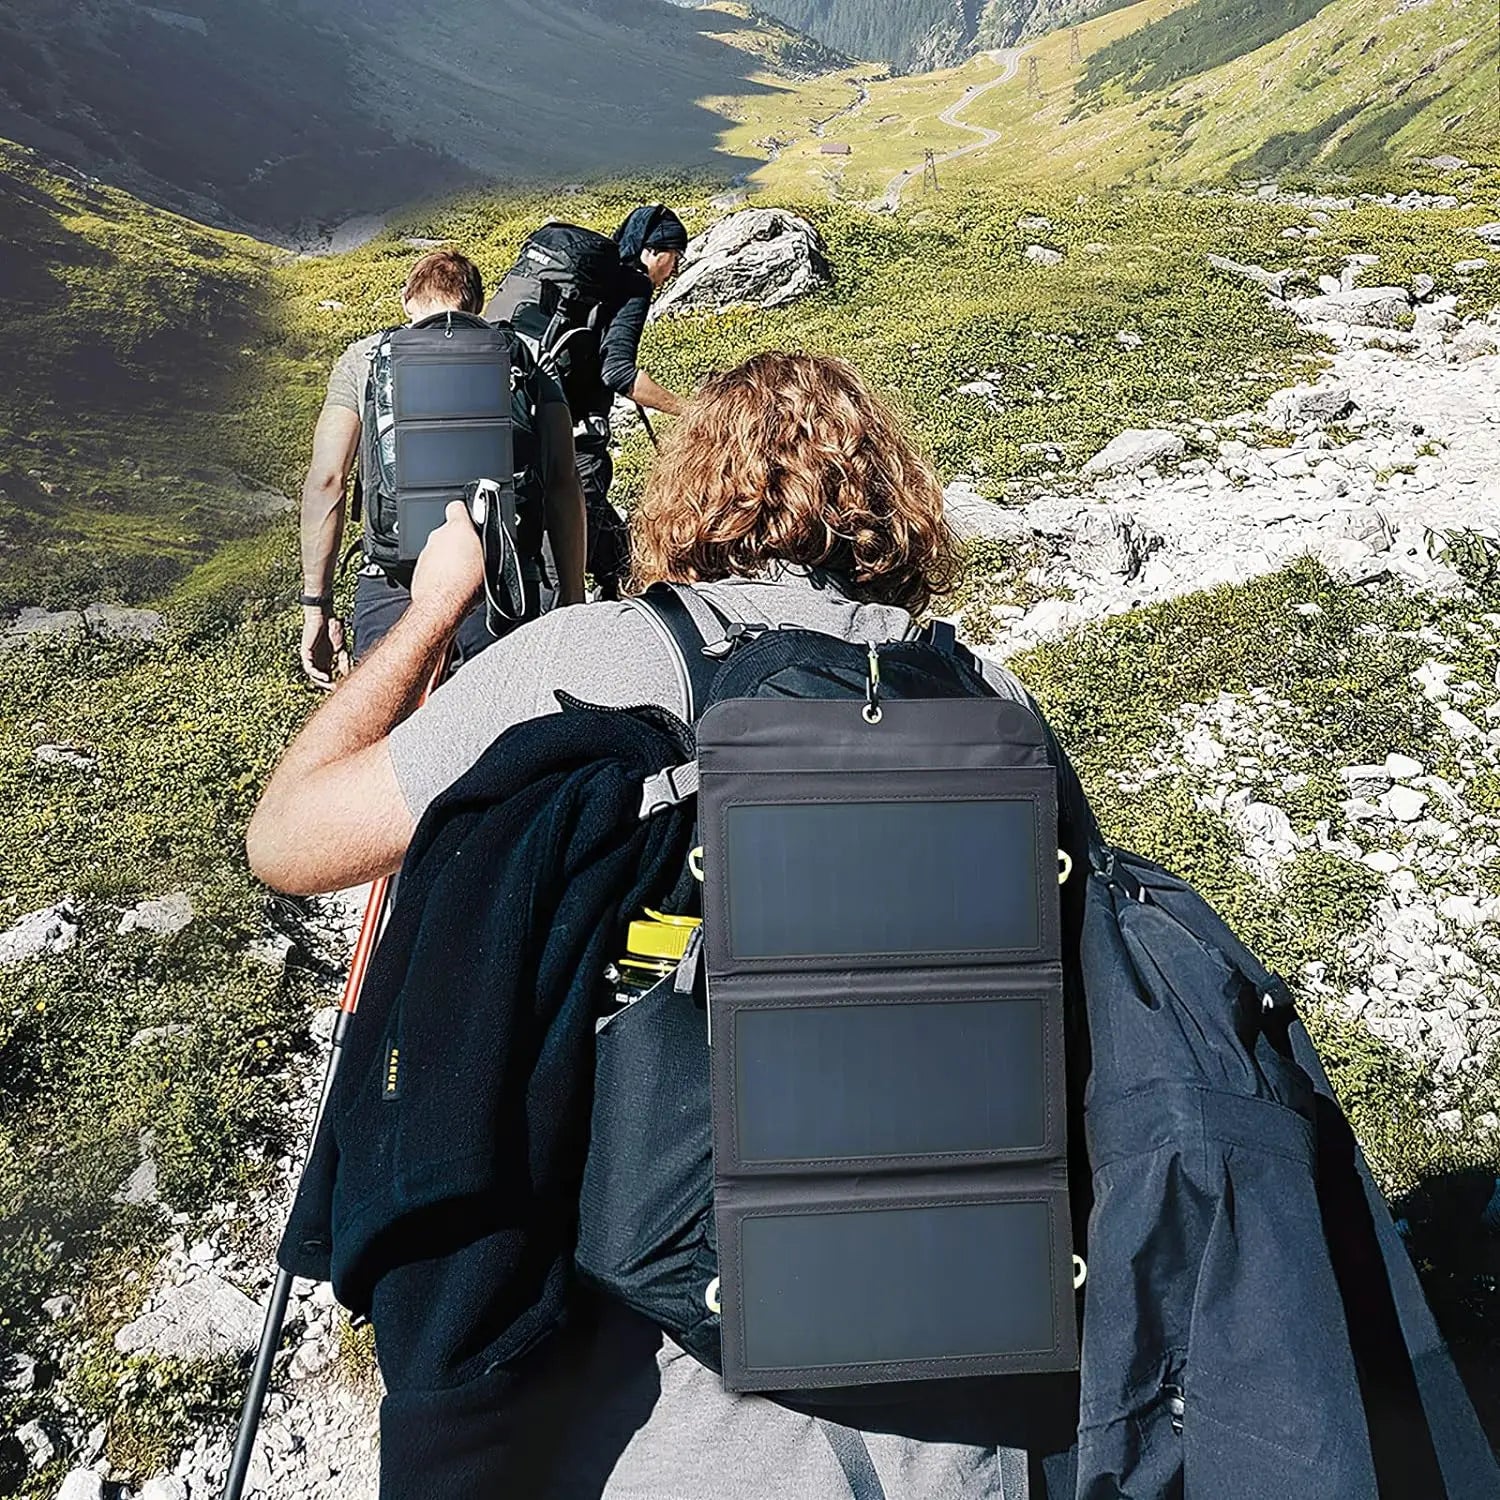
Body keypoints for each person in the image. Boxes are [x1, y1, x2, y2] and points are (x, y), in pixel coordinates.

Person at [247, 352, 1036, 1496]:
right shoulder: (992, 700)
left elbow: (289, 839)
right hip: (967, 1396)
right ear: (892, 497)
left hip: (666, 1401)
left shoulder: (603, 657)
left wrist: (426, 620)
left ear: (688, 491)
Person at [297, 249, 586, 688]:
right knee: (498, 737)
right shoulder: (524, 355)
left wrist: (316, 605)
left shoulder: (366, 357)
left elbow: (328, 481)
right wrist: (572, 591)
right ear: (476, 307)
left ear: (407, 301)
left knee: (390, 737)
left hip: (394, 586)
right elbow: (563, 479)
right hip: (498, 585)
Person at [572, 204, 691, 599]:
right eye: (675, 258)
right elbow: (618, 373)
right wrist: (687, 410)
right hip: (577, 439)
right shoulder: (633, 287)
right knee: (597, 545)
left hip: (533, 421)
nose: (672, 271)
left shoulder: (596, 282)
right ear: (654, 252)